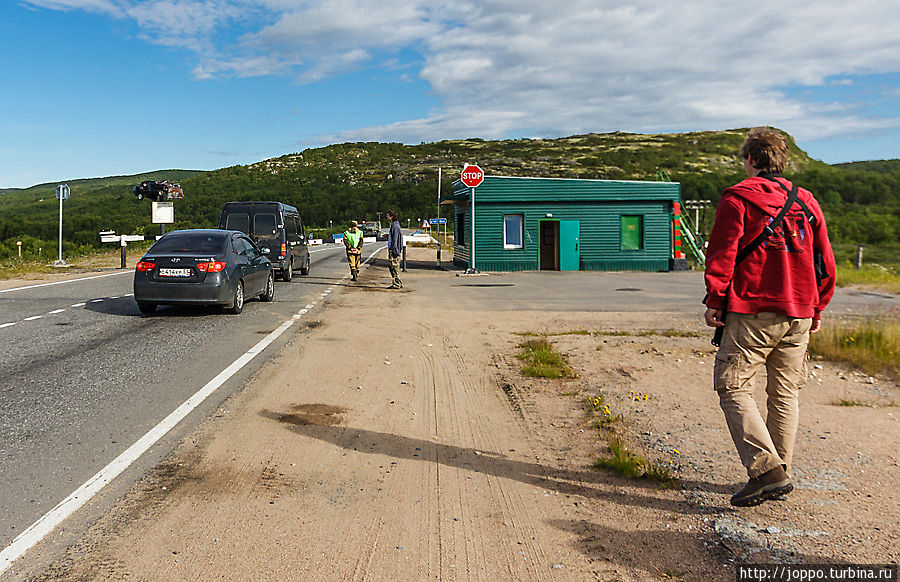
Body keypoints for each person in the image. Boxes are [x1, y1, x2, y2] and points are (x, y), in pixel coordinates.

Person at [703, 127, 836, 507]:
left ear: (749, 160)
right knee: (784, 392)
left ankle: (766, 471)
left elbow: (723, 253)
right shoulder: (807, 202)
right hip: (800, 311)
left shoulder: (738, 198)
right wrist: (818, 307)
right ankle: (780, 470)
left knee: (732, 385)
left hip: (754, 310)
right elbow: (825, 262)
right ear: (782, 160)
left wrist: (716, 297)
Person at [386, 210, 403, 289]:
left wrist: (394, 250)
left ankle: (397, 283)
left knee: (394, 267)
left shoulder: (394, 226)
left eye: (388, 215)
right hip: (395, 249)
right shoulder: (394, 225)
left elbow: (395, 239)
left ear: (391, 216)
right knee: (392, 267)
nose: (387, 217)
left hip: (394, 251)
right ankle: (398, 282)